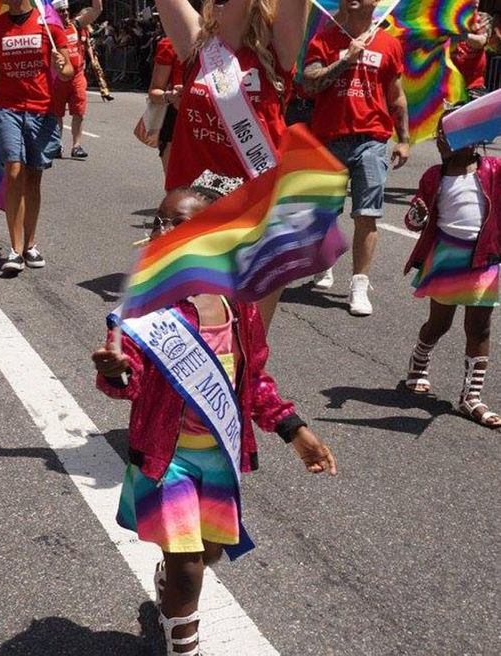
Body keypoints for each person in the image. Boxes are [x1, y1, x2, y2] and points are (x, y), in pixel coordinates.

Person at [93, 172, 336, 656]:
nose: (164, 232)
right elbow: (128, 383)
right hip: (168, 457)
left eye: (179, 224)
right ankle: (183, 642)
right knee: (186, 563)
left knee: (209, 555)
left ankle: (170, 584)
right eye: (160, 222)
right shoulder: (149, 309)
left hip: (219, 456)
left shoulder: (239, 307)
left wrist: (295, 431)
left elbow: (255, 383)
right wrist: (117, 372)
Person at [154, 0, 308, 328]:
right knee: (192, 339)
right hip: (193, 218)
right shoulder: (197, 45)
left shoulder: (277, 50)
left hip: (257, 217)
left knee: (247, 346)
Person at [302, 0, 410, 317]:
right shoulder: (324, 39)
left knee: (367, 213)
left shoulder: (389, 44)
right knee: (324, 213)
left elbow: (396, 95)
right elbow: (310, 83)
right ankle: (324, 263)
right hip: (328, 138)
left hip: (372, 139)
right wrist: (346, 60)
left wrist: (403, 140)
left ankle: (359, 285)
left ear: (375, 3)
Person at [402, 111, 501, 429]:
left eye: (449, 133)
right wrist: (417, 214)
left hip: (483, 259)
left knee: (479, 328)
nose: (440, 138)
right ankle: (419, 360)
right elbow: (414, 220)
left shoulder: (493, 169)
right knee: (439, 324)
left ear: (472, 138)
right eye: (439, 132)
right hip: (447, 260)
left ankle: (470, 398)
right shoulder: (434, 176)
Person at [0, 0, 74, 273]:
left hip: (42, 111)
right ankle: (15, 250)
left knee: (33, 177)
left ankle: (30, 244)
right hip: (9, 111)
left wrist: (61, 64)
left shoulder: (49, 24)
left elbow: (67, 73)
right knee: (14, 171)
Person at [50, 0, 103, 159]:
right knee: (57, 114)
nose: (65, 13)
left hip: (77, 77)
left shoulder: (76, 25)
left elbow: (97, 10)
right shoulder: (50, 31)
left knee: (79, 112)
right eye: (61, 11)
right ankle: (56, 145)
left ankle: (76, 146)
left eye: (66, 10)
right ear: (54, 14)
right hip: (58, 79)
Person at [148, 35, 182, 178]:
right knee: (176, 186)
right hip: (175, 120)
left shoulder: (228, 42)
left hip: (214, 123)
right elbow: (154, 91)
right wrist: (170, 96)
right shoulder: (171, 43)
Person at [451, 3, 490, 100]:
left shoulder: (483, 18)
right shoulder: (449, 20)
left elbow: (481, 41)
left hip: (474, 87)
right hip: (449, 86)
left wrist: (462, 36)